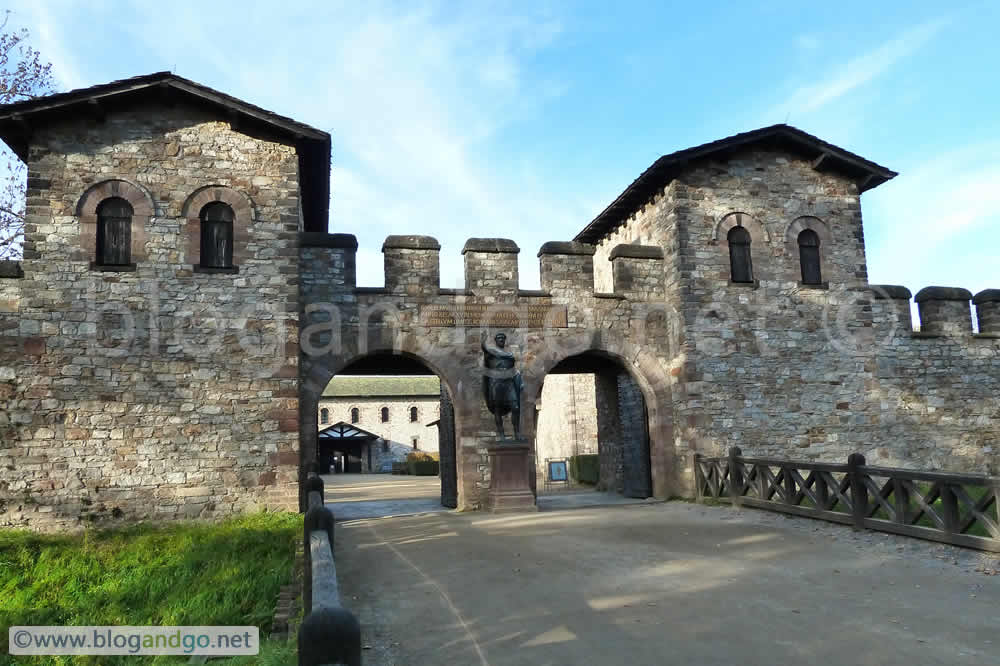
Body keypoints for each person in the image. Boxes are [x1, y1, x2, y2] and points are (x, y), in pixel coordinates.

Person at [481, 331, 523, 439]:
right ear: (496, 341)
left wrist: (519, 380)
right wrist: (483, 340)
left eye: (503, 338)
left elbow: (513, 370)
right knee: (497, 409)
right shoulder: (491, 353)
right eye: (499, 338)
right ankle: (501, 434)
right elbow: (484, 348)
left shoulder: (509, 355)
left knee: (515, 407)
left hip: (508, 383)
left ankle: (517, 433)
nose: (501, 340)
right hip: (496, 383)